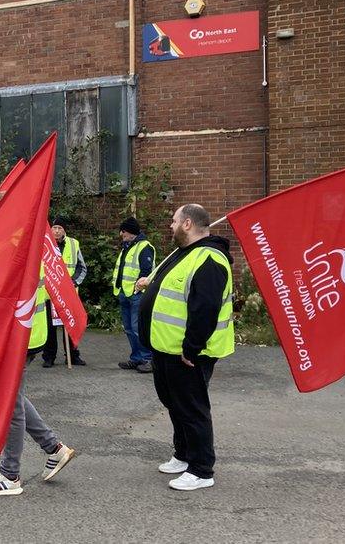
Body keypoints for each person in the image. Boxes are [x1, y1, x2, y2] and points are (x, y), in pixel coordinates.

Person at [0, 200, 75, 497]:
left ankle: (10, 474)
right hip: (22, 333)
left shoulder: (13, 243)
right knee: (14, 396)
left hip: (16, 336)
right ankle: (53, 446)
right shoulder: (26, 237)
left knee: (9, 402)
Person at [136, 204, 233, 492]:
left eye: (174, 221)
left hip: (189, 354)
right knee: (175, 404)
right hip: (166, 348)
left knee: (192, 409)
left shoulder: (210, 259)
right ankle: (183, 454)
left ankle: (202, 469)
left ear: (187, 223)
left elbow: (206, 309)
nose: (170, 225)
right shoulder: (184, 253)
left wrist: (191, 349)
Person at [41, 217, 87, 367]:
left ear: (64, 230)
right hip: (49, 293)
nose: (57, 231)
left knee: (70, 325)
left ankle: (73, 355)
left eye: (60, 228)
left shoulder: (74, 244)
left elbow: (82, 267)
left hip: (69, 294)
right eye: (54, 228)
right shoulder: (43, 244)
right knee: (49, 327)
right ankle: (49, 356)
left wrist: (73, 282)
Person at [114, 217, 156, 373]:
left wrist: (137, 288)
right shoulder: (127, 246)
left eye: (123, 231)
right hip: (125, 293)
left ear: (130, 231)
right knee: (129, 328)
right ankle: (136, 358)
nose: (121, 234)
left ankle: (147, 359)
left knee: (138, 328)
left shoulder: (145, 247)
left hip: (137, 294)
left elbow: (147, 271)